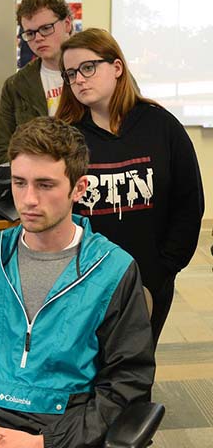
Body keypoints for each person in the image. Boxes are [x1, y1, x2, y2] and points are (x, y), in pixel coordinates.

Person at [0, 117, 155, 448]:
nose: (29, 199)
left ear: (79, 188)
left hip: (64, 432)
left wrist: (42, 443)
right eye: (20, 183)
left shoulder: (112, 270)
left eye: (45, 185)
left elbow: (126, 383)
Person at [57, 28, 205, 346]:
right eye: (70, 74)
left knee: (135, 372)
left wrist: (165, 268)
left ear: (117, 67)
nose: (79, 79)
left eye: (88, 67)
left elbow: (188, 203)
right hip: (83, 282)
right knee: (88, 375)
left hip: (149, 277)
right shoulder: (66, 138)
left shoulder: (161, 126)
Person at [0, 0, 73, 163]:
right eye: (30, 33)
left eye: (46, 28)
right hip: (35, 181)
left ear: (67, 24)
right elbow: (3, 150)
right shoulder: (16, 85)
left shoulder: (99, 69)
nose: (38, 38)